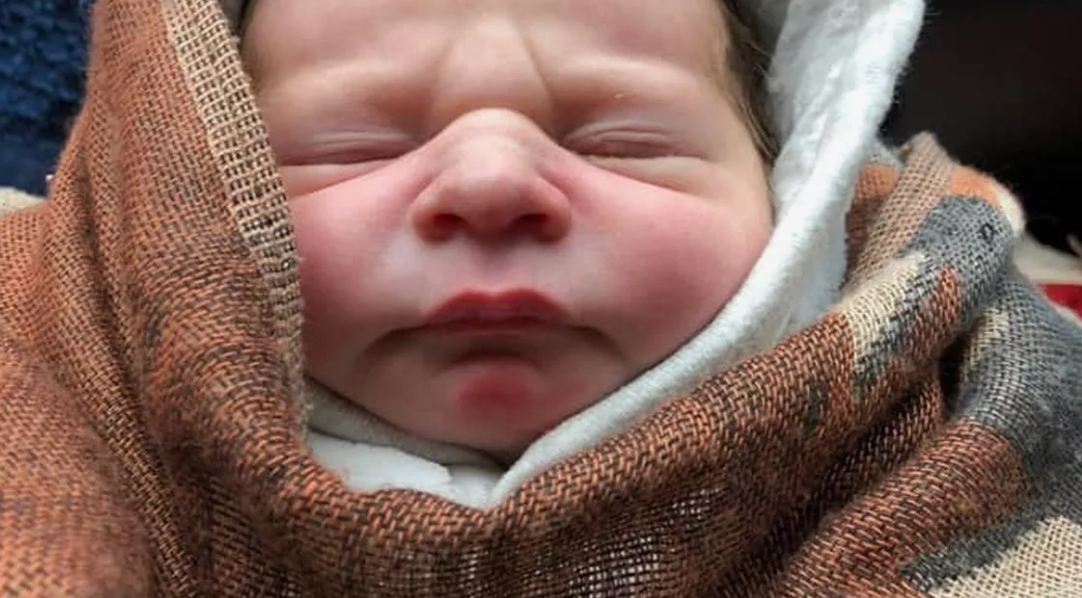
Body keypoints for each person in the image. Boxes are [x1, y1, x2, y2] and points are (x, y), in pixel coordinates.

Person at [0, 0, 1078, 595]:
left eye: (623, 142)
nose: (490, 183)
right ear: (187, 189)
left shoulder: (947, 371)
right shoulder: (62, 366)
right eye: (354, 145)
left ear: (793, 190)